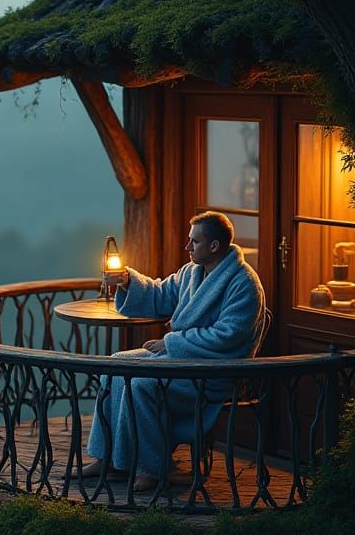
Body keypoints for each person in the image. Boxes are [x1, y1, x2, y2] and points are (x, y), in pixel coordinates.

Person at [80, 211, 266, 492]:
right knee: (115, 366)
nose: (187, 247)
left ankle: (152, 468)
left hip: (215, 370)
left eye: (194, 242)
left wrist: (172, 343)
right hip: (184, 360)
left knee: (142, 384)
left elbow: (229, 336)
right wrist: (127, 281)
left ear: (214, 246)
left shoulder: (243, 283)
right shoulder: (192, 272)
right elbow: (160, 294)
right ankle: (109, 458)